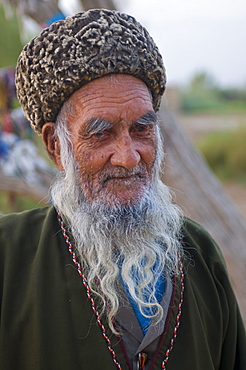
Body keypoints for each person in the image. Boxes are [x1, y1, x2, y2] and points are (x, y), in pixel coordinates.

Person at [0, 9, 245, 370]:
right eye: (101, 133)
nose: (129, 157)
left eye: (142, 129)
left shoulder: (200, 251)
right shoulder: (9, 256)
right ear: (56, 147)